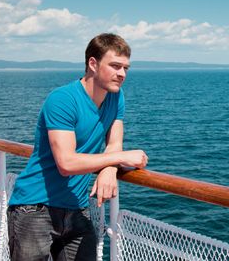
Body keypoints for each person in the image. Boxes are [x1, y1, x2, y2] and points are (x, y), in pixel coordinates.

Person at [8, 33, 148, 261]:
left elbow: (114, 144)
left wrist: (110, 169)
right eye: (115, 66)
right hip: (35, 207)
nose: (122, 74)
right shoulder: (63, 99)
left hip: (76, 206)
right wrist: (121, 157)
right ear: (93, 64)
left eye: (126, 68)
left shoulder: (116, 97)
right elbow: (67, 163)